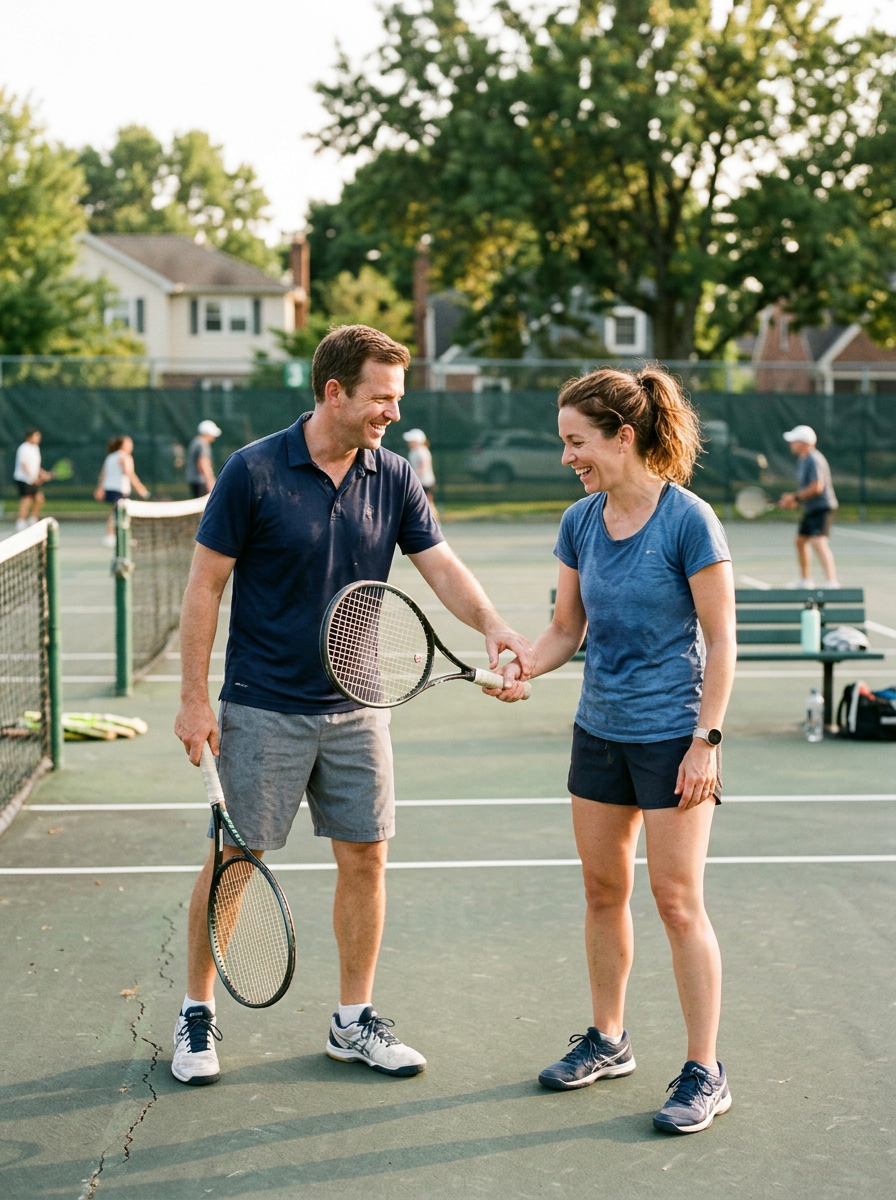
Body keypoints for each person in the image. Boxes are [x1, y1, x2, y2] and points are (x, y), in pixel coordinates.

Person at [171, 324, 534, 1087]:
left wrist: (496, 627)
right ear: (335, 391)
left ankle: (353, 1021)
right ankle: (197, 1013)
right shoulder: (254, 471)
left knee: (366, 858)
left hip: (359, 706)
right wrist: (193, 698)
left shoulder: (393, 475)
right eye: (380, 398)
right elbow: (205, 585)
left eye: (396, 400)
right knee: (237, 860)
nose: (390, 414)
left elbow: (441, 566)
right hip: (262, 706)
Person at [491, 366, 737, 1135]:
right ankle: (608, 1039)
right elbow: (568, 628)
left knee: (676, 902)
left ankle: (705, 1069)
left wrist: (706, 741)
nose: (569, 457)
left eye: (577, 442)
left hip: (673, 737)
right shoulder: (581, 522)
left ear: (622, 437)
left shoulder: (689, 521)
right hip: (599, 731)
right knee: (603, 892)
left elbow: (723, 640)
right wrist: (525, 663)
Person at [778, 425, 839, 589]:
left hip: (823, 507)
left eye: (794, 440)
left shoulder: (814, 459)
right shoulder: (803, 460)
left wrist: (795, 497)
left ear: (803, 442)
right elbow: (807, 489)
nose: (791, 443)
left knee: (818, 542)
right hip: (811, 508)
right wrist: (794, 501)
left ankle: (831, 582)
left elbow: (817, 486)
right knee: (800, 541)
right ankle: (805, 580)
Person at [94, 436, 149, 548]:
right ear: (122, 445)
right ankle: (111, 536)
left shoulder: (110, 457)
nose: (131, 446)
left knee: (116, 512)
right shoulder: (125, 457)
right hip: (118, 489)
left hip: (111, 488)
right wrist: (140, 488)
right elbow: (129, 473)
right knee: (118, 513)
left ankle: (116, 536)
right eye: (128, 443)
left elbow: (103, 474)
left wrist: (100, 488)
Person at [13, 429, 52, 531]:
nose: (38, 438)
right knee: (26, 499)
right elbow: (24, 466)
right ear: (29, 437)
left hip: (32, 479)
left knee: (39, 498)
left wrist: (43, 474)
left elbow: (36, 466)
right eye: (36, 436)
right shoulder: (23, 448)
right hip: (23, 478)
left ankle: (33, 520)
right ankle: (20, 522)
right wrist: (33, 478)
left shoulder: (35, 448)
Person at [402, 428, 438, 519]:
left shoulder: (421, 452)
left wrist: (410, 477)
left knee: (428, 503)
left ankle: (435, 524)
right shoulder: (414, 451)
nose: (409, 442)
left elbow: (422, 468)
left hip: (425, 482)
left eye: (411, 440)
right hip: (420, 481)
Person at [186, 420, 221, 498]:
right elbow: (203, 463)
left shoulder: (195, 442)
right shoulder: (202, 444)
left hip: (194, 480)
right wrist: (210, 482)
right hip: (201, 481)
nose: (213, 437)